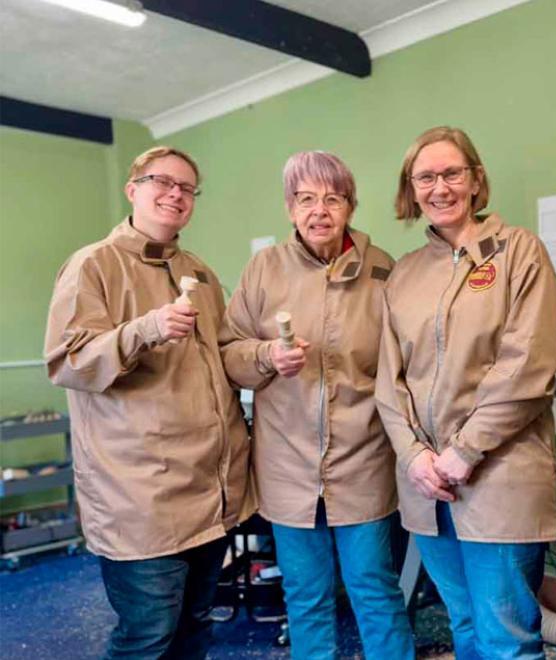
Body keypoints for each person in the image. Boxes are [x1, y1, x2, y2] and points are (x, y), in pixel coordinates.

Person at [44, 146, 253, 659]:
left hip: (211, 489)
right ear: (132, 188)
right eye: (163, 181)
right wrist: (146, 329)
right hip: (142, 499)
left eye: (187, 188)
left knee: (196, 626)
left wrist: (267, 358)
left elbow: (222, 356)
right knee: (147, 637)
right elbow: (68, 362)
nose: (176, 194)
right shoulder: (93, 264)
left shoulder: (198, 272)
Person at [219, 151, 414, 660]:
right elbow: (229, 355)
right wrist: (266, 356)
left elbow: (404, 365)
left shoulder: (383, 269)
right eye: (306, 199)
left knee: (375, 591)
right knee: (305, 598)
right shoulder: (264, 269)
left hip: (363, 459)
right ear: (289, 208)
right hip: (287, 464)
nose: (319, 210)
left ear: (350, 205)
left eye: (333, 198)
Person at [376, 126, 556, 659]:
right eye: (425, 177)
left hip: (498, 476)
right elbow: (388, 381)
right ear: (411, 190)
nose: (440, 187)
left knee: (507, 637)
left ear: (476, 180)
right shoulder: (405, 274)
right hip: (425, 487)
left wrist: (463, 451)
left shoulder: (518, 252)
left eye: (452, 173)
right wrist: (415, 457)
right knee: (463, 625)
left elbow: (527, 368)